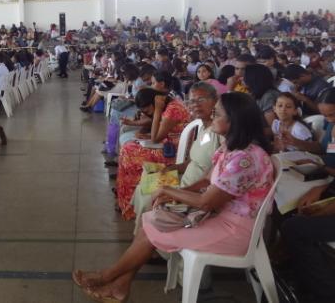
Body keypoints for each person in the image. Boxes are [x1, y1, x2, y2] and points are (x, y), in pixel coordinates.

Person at [72, 92, 273, 302]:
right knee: (150, 220)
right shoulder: (232, 147)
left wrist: (168, 191)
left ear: (234, 120)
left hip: (235, 231)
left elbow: (206, 202)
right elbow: (206, 179)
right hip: (219, 216)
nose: (212, 117)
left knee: (152, 229)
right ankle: (120, 285)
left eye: (217, 113)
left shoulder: (245, 159)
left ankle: (108, 276)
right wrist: (180, 193)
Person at [131, 82, 222, 233]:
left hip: (195, 189)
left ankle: (150, 239)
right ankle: (144, 236)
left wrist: (180, 189)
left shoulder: (220, 131)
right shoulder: (204, 126)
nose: (195, 105)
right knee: (144, 186)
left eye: (201, 100)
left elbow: (214, 176)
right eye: (192, 101)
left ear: (215, 100)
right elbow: (194, 160)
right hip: (184, 178)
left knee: (148, 195)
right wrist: (172, 168)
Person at [280, 88, 335, 302]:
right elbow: (324, 150)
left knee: (294, 227)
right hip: (328, 181)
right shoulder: (332, 127)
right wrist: (299, 144)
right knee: (292, 213)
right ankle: (303, 275)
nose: (330, 120)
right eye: (327, 116)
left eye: (332, 115)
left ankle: (325, 293)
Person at [116, 88, 190, 220]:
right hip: (168, 145)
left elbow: (156, 138)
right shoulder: (169, 105)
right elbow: (160, 130)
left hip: (173, 152)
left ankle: (129, 201)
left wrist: (157, 110)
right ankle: (127, 199)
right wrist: (147, 134)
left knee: (128, 152)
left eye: (147, 110)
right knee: (128, 149)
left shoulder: (172, 109)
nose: (146, 113)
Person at [243, 63, 279, 128]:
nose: (242, 79)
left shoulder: (268, 96)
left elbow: (273, 129)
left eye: (244, 76)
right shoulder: (256, 93)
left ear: (252, 79)